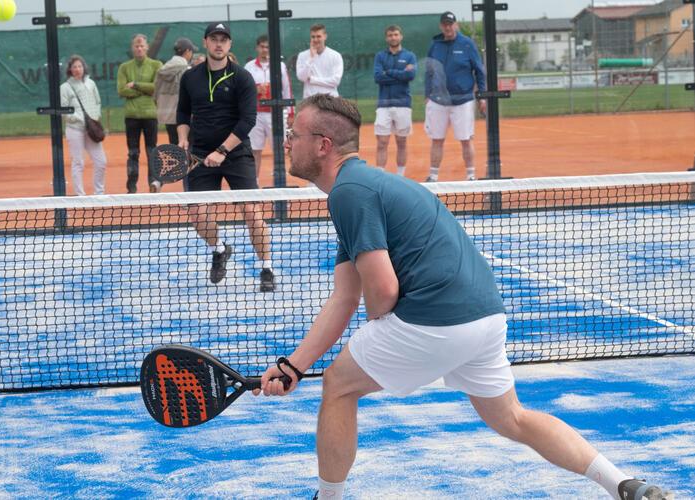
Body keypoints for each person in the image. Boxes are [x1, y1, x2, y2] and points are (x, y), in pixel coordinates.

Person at [254, 94, 672, 500]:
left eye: (294, 133)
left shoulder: (350, 193)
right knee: (512, 418)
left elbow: (382, 291)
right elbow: (344, 297)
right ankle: (623, 484)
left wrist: (378, 324)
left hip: (435, 319)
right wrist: (292, 366)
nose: (286, 141)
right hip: (486, 318)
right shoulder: (367, 187)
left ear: (323, 145)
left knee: (339, 385)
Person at [177, 22, 275, 292]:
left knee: (252, 213)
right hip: (198, 155)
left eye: (224, 39)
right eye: (214, 39)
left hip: (235, 154)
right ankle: (219, 249)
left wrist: (221, 152)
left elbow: (248, 120)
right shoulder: (190, 77)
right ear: (206, 42)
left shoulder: (242, 77)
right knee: (197, 214)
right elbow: (183, 115)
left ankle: (266, 268)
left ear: (229, 45)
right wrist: (183, 138)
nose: (219, 44)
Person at [424, 11, 486, 182]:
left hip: (463, 100)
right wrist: (427, 94)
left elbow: (479, 71)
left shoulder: (467, 44)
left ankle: (471, 175)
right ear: (440, 26)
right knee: (437, 140)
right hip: (438, 101)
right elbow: (429, 71)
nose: (448, 27)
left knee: (466, 139)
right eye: (445, 24)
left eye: (450, 24)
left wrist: (482, 96)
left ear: (456, 25)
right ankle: (433, 176)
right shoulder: (435, 45)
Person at [117, 34, 162, 193]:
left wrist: (135, 85)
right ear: (132, 48)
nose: (139, 48)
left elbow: (156, 88)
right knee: (133, 153)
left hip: (150, 116)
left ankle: (153, 183)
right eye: (136, 46)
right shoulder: (124, 67)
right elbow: (121, 90)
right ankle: (131, 187)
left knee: (152, 151)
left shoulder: (156, 65)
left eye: (142, 45)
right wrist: (145, 90)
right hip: (132, 117)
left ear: (147, 47)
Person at [244, 34, 294, 179]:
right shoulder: (249, 66)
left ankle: (280, 181)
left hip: (276, 114)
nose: (265, 50)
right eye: (262, 46)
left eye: (267, 47)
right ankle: (254, 183)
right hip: (256, 114)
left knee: (279, 149)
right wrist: (255, 90)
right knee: (255, 149)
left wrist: (291, 113)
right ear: (257, 48)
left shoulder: (280, 65)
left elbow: (286, 89)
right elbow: (242, 90)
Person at [373, 25, 416, 177]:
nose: (393, 37)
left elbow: (410, 76)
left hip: (403, 104)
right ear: (387, 38)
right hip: (383, 105)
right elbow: (378, 77)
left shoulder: (409, 56)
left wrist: (389, 73)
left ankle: (400, 176)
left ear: (401, 36)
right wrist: (400, 74)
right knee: (382, 142)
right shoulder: (380, 56)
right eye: (390, 35)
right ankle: (379, 175)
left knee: (401, 142)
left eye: (396, 34)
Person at [60, 55, 107, 196]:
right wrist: (78, 119)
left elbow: (97, 101)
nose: (77, 69)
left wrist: (95, 116)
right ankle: (80, 196)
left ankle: (99, 193)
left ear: (84, 67)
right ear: (69, 69)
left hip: (91, 129)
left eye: (79, 66)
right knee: (78, 162)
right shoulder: (65, 87)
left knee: (101, 162)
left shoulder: (91, 83)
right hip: (75, 129)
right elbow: (63, 109)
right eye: (74, 67)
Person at [154, 37, 196, 157]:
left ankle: (179, 174)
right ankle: (189, 175)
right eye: (191, 51)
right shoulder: (187, 70)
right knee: (190, 149)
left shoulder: (162, 69)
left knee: (175, 149)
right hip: (185, 117)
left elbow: (155, 93)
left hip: (167, 116)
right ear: (187, 51)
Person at [296, 24, 344, 99]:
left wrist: (312, 79)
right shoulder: (302, 55)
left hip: (331, 101)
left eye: (318, 36)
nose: (315, 40)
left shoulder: (336, 55)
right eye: (313, 37)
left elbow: (335, 81)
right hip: (310, 101)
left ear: (325, 37)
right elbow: (302, 77)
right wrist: (311, 58)